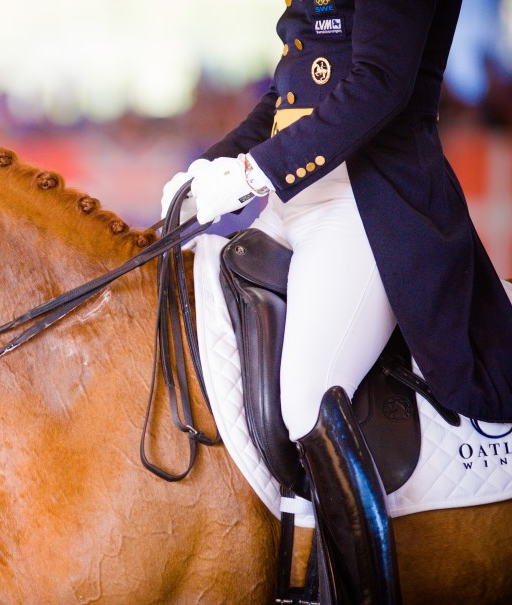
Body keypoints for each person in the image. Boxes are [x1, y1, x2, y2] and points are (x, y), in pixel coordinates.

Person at [160, 1, 512, 603]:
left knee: (306, 396)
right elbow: (288, 95)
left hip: (368, 202)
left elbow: (379, 83)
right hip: (290, 204)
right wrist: (213, 164)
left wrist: (251, 174)